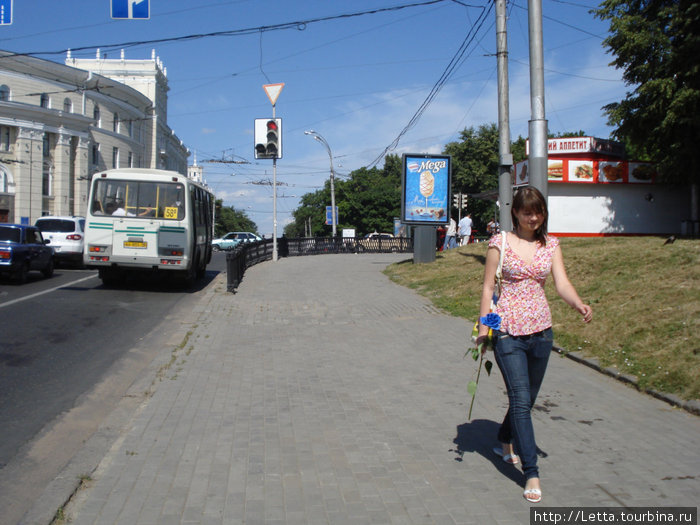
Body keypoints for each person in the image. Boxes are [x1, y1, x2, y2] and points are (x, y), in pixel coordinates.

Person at [476, 186, 592, 504]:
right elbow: (488, 289)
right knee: (521, 399)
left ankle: (503, 438)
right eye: (527, 211)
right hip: (508, 331)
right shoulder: (499, 242)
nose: (533, 217)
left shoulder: (551, 245)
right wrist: (485, 327)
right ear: (515, 212)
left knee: (526, 399)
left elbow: (562, 283)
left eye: (538, 211)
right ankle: (531, 472)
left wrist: (578, 304)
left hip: (541, 332)